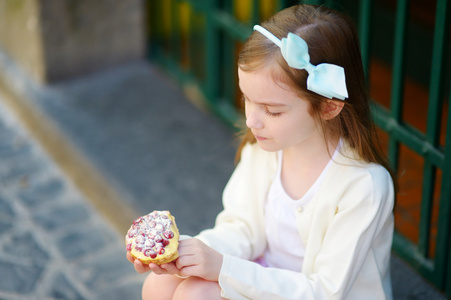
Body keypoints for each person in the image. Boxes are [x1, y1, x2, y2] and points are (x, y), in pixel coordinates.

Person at [127, 4, 395, 300]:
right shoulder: (264, 151)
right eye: (248, 100)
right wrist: (185, 254)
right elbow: (242, 229)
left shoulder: (364, 186)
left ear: (328, 106)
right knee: (160, 284)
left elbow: (324, 291)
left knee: (197, 295)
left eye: (271, 110)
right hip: (264, 277)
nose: (251, 121)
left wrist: (223, 268)